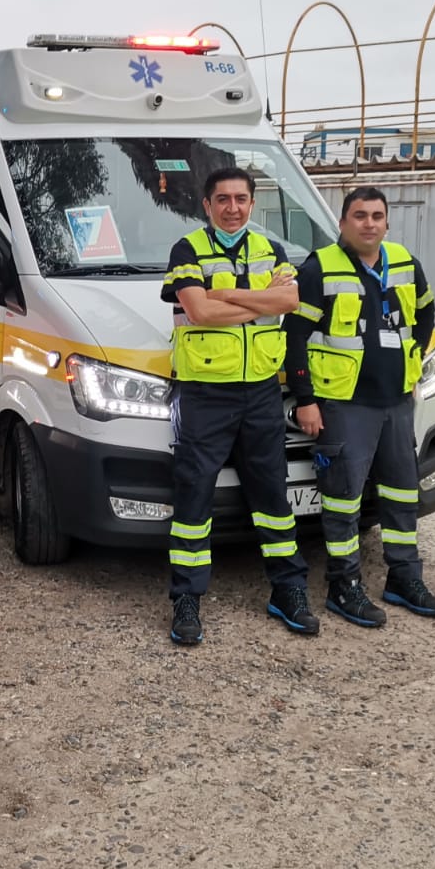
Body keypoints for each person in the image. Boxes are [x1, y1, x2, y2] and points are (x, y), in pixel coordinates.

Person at [160, 167, 313, 645]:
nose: (233, 207)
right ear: (206, 206)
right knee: (194, 497)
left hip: (262, 390)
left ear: (252, 202)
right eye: (222, 199)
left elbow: (290, 301)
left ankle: (287, 590)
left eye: (241, 198)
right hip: (205, 391)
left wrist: (227, 293)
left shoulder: (272, 249)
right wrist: (260, 301)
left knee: (273, 496)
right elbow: (199, 311)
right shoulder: (187, 250)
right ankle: (187, 599)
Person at [284, 185, 435, 627]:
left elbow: (427, 313)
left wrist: (411, 357)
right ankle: (344, 585)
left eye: (377, 215)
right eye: (359, 215)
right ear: (343, 223)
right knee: (342, 500)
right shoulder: (319, 268)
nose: (369, 223)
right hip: (343, 404)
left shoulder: (406, 263)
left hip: (396, 402)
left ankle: (403, 577)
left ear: (387, 222)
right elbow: (293, 336)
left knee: (401, 494)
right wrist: (306, 400)